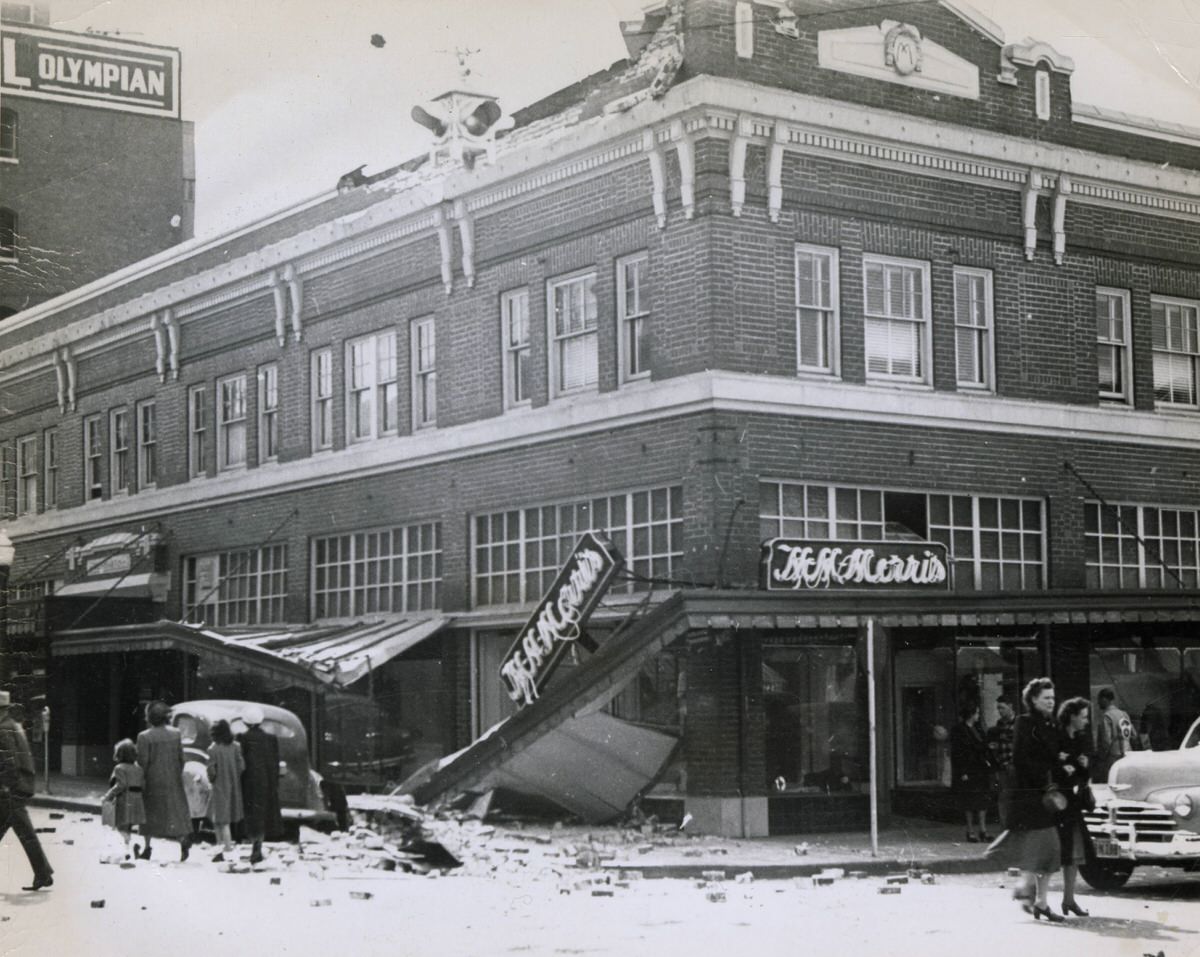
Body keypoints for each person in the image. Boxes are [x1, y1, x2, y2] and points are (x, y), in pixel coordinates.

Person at [1009, 677, 1063, 922]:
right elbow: (1019, 759)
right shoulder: (1024, 722)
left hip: (1047, 794)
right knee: (1044, 846)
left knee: (1049, 849)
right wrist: (1043, 779)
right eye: (1046, 698)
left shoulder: (1051, 724)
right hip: (1030, 794)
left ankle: (1037, 898)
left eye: (1053, 698)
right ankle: (1028, 888)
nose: (1051, 702)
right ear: (1033, 699)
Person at [0, 690, 53, 891]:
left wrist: (6, 785)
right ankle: (43, 873)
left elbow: (9, 762)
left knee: (26, 833)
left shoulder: (3, 729)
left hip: (11, 788)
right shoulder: (14, 725)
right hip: (20, 785)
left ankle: (43, 873)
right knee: (24, 832)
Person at [136, 700, 193, 862]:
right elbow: (182, 758)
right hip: (173, 779)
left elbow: (143, 763)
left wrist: (141, 781)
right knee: (175, 812)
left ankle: (147, 848)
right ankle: (183, 841)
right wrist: (175, 773)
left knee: (148, 815)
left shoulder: (144, 737)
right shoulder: (176, 733)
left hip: (152, 781)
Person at [1055, 696, 1096, 918]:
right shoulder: (1058, 738)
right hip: (1058, 804)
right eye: (1083, 717)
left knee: (1073, 853)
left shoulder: (1080, 739)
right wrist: (1064, 767)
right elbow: (1052, 766)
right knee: (1054, 853)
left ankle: (1069, 899)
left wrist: (1084, 766)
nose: (1086, 721)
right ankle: (1037, 899)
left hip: (1073, 804)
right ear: (1072, 716)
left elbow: (1085, 773)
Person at [239, 704, 282, 865]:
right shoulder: (271, 739)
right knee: (263, 814)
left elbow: (241, 762)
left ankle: (253, 842)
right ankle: (259, 844)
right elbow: (275, 763)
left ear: (245, 722)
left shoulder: (242, 738)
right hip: (266, 781)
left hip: (248, 781)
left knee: (250, 814)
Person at [950, 701, 995, 842]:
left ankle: (983, 830)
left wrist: (988, 747)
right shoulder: (959, 730)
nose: (978, 715)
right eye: (976, 713)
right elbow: (957, 752)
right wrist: (962, 771)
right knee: (968, 801)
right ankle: (970, 830)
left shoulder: (978, 728)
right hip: (968, 769)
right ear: (971, 714)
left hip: (980, 769)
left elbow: (982, 745)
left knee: (982, 800)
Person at [101, 738, 146, 860]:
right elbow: (143, 784)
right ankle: (128, 849)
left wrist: (108, 796)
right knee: (129, 826)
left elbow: (121, 785)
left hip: (125, 799)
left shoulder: (119, 768)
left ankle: (127, 849)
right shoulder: (139, 768)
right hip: (137, 799)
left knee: (121, 826)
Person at [207, 718, 244, 863]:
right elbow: (242, 766)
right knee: (223, 819)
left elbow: (211, 771)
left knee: (220, 820)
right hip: (233, 785)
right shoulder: (236, 746)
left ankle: (224, 848)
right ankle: (222, 848)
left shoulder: (212, 749)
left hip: (218, 786)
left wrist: (212, 779)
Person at [1094, 687, 1137, 782]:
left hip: (1112, 758)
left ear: (1104, 699)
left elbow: (1106, 742)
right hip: (1127, 756)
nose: (1098, 703)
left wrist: (1100, 759)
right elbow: (1134, 734)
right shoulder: (1124, 714)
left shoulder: (1107, 716)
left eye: (1099, 700)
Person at [986, 694, 1016, 828]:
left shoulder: (1019, 723)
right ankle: (1006, 827)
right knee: (1004, 797)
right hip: (1003, 765)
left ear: (1010, 707)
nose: (1000, 711)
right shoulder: (999, 726)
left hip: (1015, 766)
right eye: (998, 708)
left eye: (1002, 708)